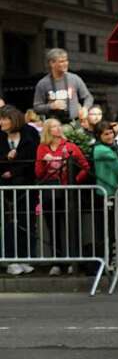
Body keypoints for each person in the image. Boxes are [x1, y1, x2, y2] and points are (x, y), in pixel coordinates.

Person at [35, 117, 91, 276]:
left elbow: (85, 167)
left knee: (72, 226)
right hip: (50, 192)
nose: (58, 129)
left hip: (69, 192)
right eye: (54, 127)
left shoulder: (70, 146)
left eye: (59, 126)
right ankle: (57, 262)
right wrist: (45, 162)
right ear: (47, 130)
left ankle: (75, 261)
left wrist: (73, 182)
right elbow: (38, 173)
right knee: (53, 228)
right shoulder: (42, 148)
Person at [1, 106, 41, 274]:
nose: (1, 123)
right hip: (5, 187)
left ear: (13, 119)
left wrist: (15, 171)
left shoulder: (30, 133)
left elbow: (34, 159)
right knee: (9, 223)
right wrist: (5, 159)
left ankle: (26, 257)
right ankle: (11, 259)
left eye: (4, 119)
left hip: (26, 184)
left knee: (27, 222)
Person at [33, 49, 93, 122]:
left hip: (75, 123)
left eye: (66, 60)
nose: (66, 63)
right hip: (53, 125)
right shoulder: (43, 83)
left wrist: (85, 108)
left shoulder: (74, 79)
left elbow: (88, 97)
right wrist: (51, 106)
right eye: (62, 61)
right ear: (52, 63)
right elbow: (36, 107)